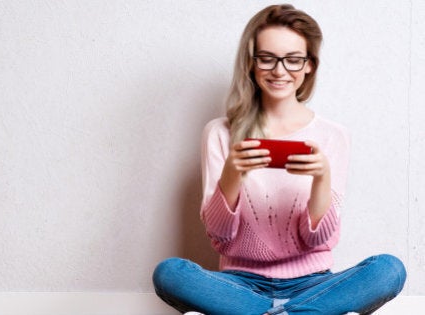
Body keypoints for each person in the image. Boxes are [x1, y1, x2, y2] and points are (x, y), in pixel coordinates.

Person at [152, 4, 406, 315]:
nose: (280, 70)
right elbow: (219, 239)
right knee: (170, 273)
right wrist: (232, 174)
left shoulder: (333, 135)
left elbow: (320, 241)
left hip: (313, 284)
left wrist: (322, 179)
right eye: (267, 58)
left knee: (389, 269)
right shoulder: (219, 132)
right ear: (251, 62)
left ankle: (275, 312)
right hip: (240, 284)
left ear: (309, 65)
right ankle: (301, 313)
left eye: (293, 59)